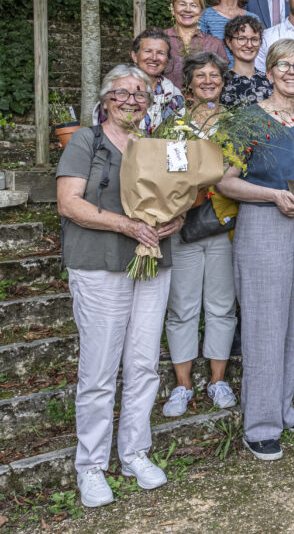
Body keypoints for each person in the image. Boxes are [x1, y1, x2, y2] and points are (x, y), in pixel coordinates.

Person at [57, 65, 184, 507]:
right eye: (122, 93)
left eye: (140, 94)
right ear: (106, 98)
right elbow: (69, 203)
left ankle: (134, 453)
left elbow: (181, 198)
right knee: (99, 371)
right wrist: (127, 226)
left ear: (149, 103)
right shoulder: (85, 141)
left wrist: (174, 220)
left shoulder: (158, 144)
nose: (131, 101)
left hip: (153, 264)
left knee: (144, 364)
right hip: (99, 265)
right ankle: (91, 466)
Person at [215, 39, 294, 461]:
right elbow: (225, 181)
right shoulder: (248, 119)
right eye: (284, 64)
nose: (292, 72)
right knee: (265, 323)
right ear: (270, 70)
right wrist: (272, 196)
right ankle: (259, 425)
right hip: (264, 222)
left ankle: (283, 409)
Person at [162, 52, 238, 417]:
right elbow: (170, 174)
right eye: (201, 75)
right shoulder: (175, 125)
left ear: (223, 81)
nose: (208, 81)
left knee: (222, 305)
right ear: (188, 83)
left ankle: (217, 380)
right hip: (184, 222)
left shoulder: (236, 124)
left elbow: (242, 165)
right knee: (182, 306)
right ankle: (183, 385)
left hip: (225, 223)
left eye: (214, 75)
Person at [164, 0, 229, 90]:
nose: (188, 10)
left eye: (194, 5)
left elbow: (223, 79)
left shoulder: (214, 44)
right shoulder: (160, 40)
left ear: (201, 12)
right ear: (172, 9)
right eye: (182, 4)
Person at [125, 28, 184, 133]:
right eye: (148, 51)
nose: (154, 58)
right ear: (134, 56)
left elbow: (180, 133)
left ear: (167, 60)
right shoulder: (118, 90)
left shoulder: (174, 96)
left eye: (160, 53)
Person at [221, 15, 273, 107]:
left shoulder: (270, 81)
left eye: (254, 39)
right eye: (242, 39)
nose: (249, 45)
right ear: (228, 42)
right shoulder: (220, 82)